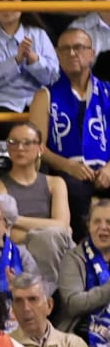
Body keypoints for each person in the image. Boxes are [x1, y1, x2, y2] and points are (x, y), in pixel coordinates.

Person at [33, 27, 110, 241]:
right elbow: (37, 146)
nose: (72, 53)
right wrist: (67, 165)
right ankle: (86, 253)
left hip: (106, 167)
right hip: (69, 171)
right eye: (65, 49)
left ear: (91, 53)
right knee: (71, 189)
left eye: (78, 47)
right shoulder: (45, 95)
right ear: (57, 55)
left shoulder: (108, 92)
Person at [0, 121, 73, 279]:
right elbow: (7, 233)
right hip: (20, 253)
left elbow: (62, 224)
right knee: (49, 239)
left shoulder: (56, 183)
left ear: (40, 148)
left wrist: (15, 219)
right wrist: (48, 230)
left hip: (57, 250)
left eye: (27, 143)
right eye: (14, 142)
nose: (20, 148)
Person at [0, 0, 58, 115]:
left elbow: (53, 77)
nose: (6, 7)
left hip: (36, 101)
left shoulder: (39, 34)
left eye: (11, 1)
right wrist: (15, 60)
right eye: (0, 2)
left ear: (23, 3)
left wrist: (33, 59)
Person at [58, 197, 110, 347]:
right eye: (97, 221)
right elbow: (74, 303)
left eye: (109, 222)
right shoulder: (74, 258)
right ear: (88, 225)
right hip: (85, 332)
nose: (103, 227)